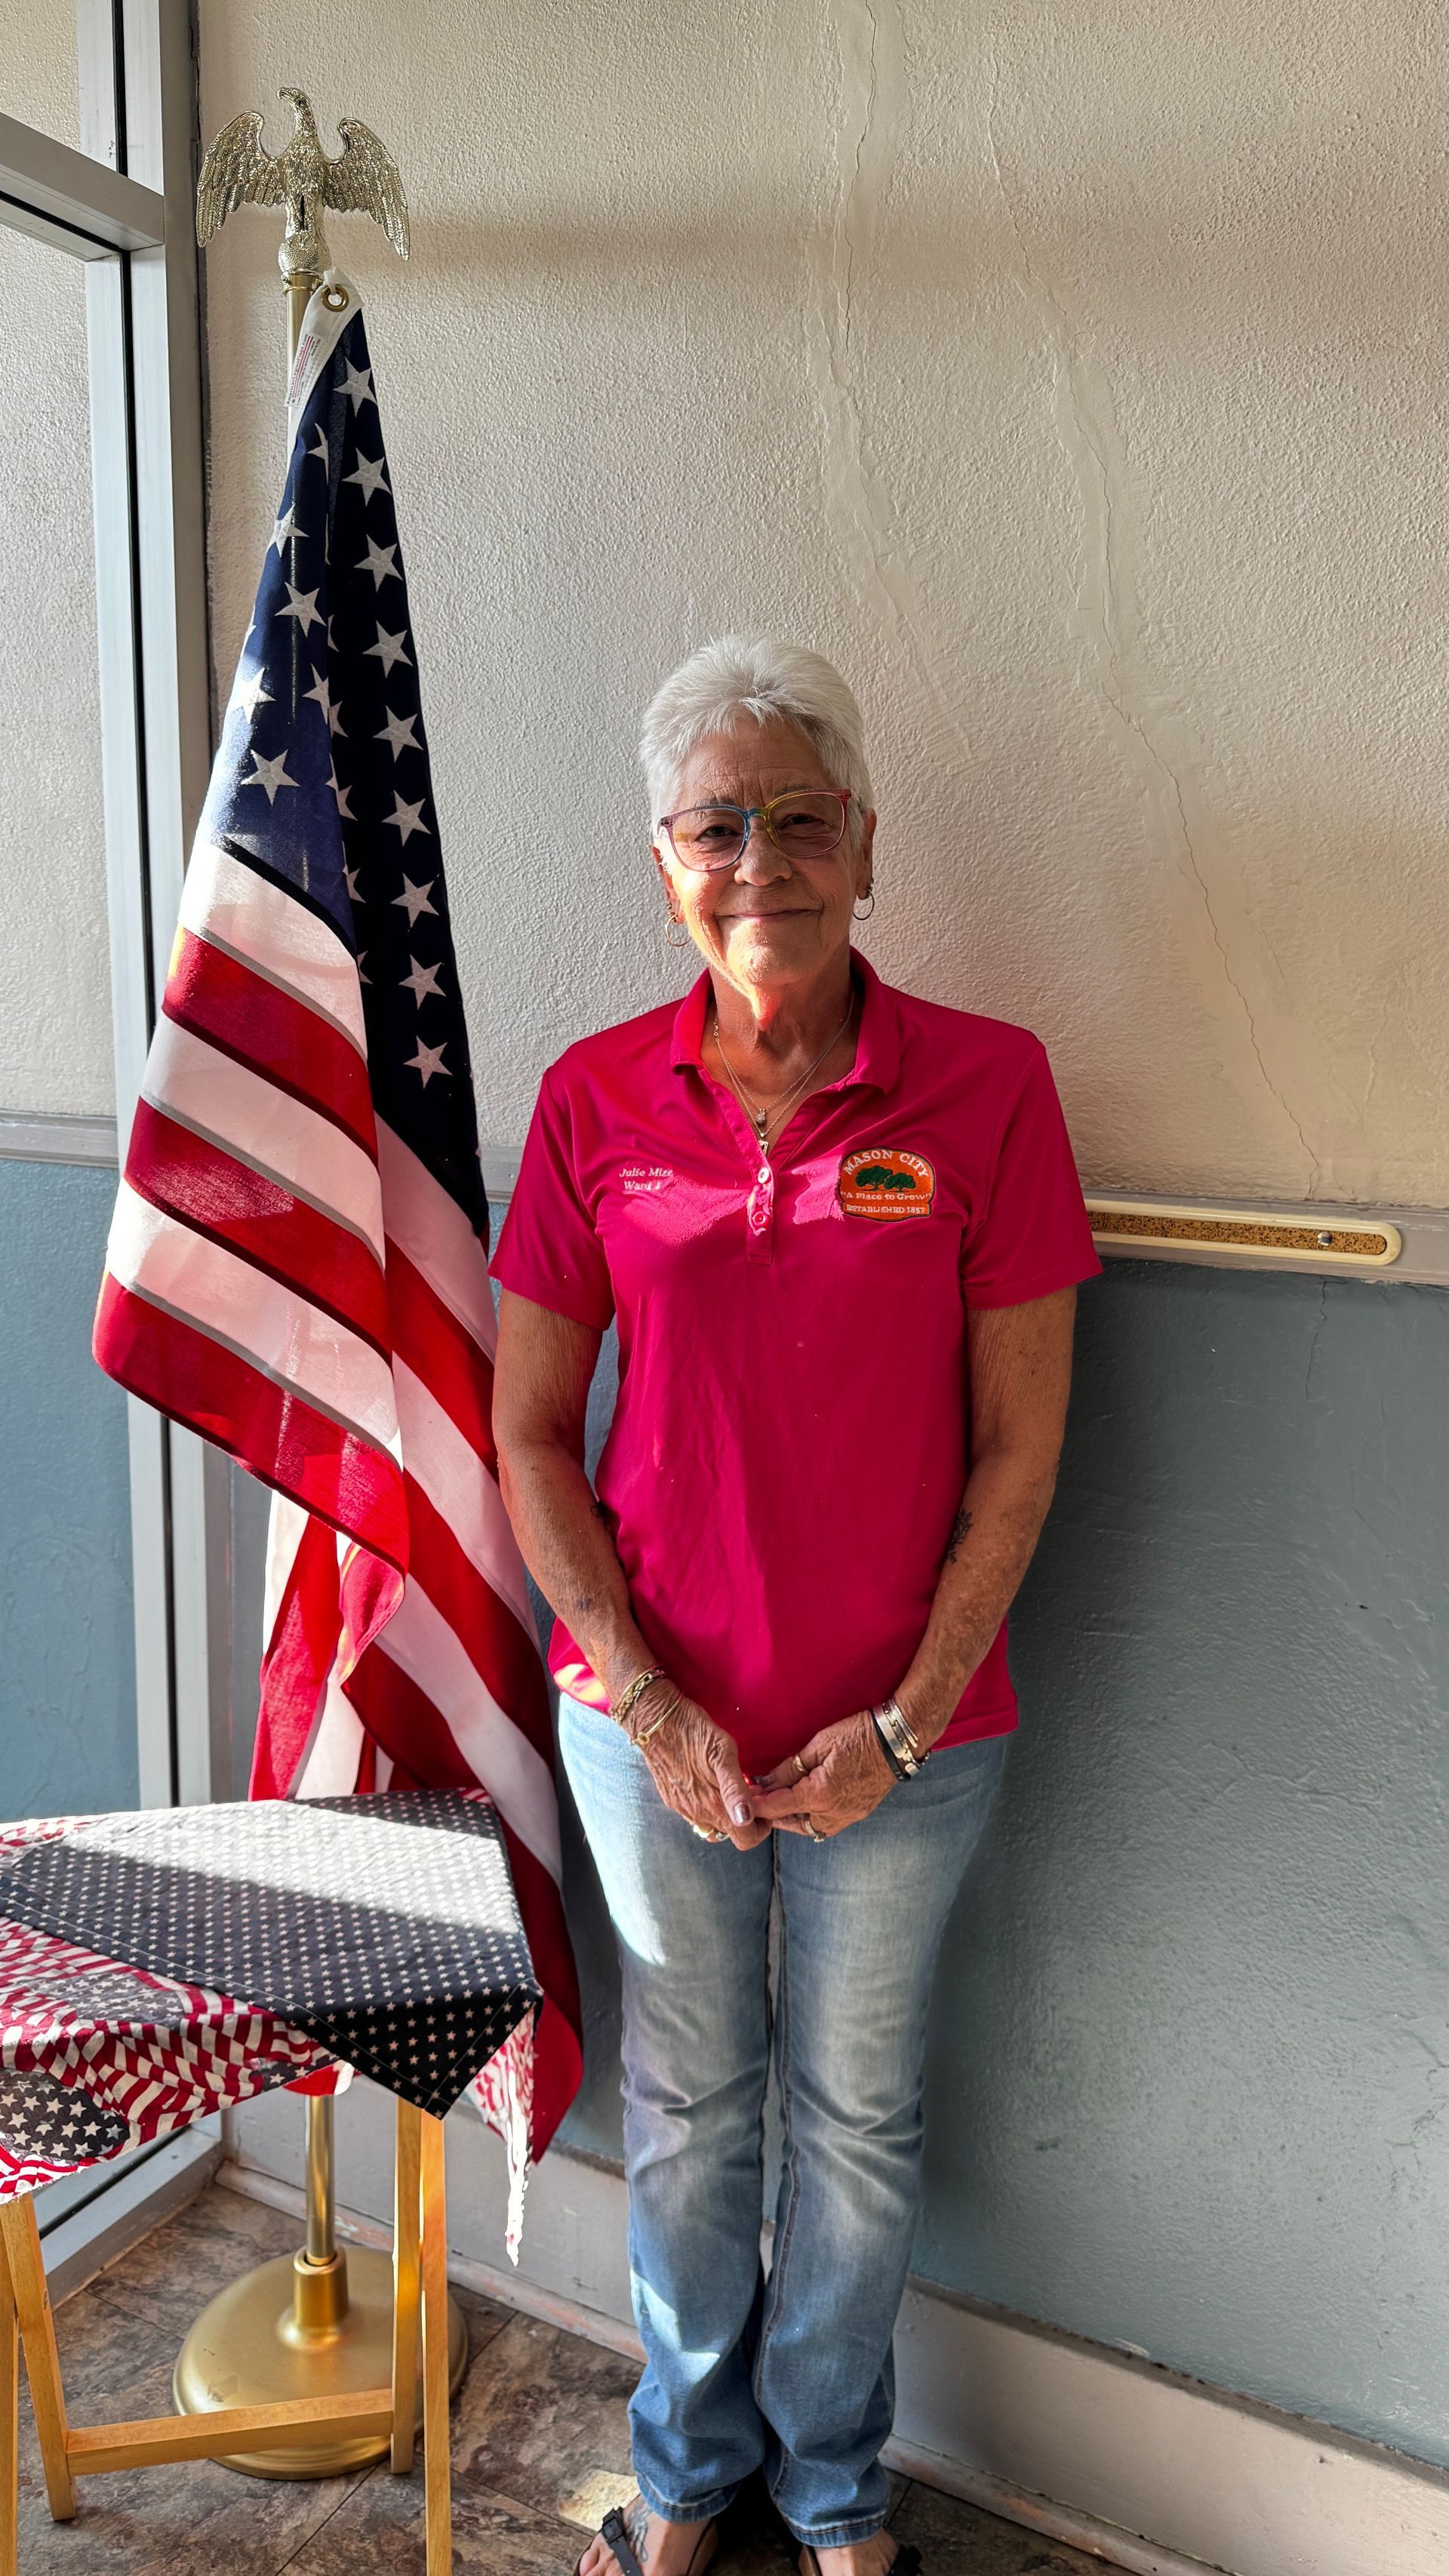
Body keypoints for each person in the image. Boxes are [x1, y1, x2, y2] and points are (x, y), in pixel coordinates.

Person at [491, 638, 1100, 2576]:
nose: (763, 863)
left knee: (853, 2119)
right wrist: (647, 1698)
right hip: (646, 1726)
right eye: (718, 827)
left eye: (802, 820)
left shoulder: (991, 1090)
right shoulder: (592, 1100)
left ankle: (834, 2487)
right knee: (690, 2114)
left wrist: (902, 1723)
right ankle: (686, 2474)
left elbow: (1019, 1453)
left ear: (868, 845)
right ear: (666, 864)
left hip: (907, 1743)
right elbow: (528, 1434)